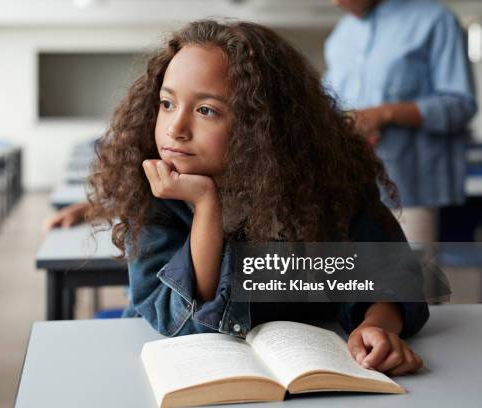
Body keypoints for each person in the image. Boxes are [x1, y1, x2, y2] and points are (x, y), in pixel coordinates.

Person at [88, 20, 428, 375]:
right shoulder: (155, 196)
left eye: (207, 110)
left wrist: (379, 325)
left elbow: (391, 276)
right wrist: (206, 206)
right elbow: (185, 321)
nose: (176, 128)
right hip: (183, 371)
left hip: (313, 366)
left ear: (265, 124)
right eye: (167, 103)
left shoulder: (332, 185)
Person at [324, 0, 478, 244]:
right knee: (356, 279)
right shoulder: (340, 36)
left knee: (411, 278)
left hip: (410, 192)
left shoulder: (434, 20)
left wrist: (385, 113)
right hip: (351, 191)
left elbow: (460, 104)